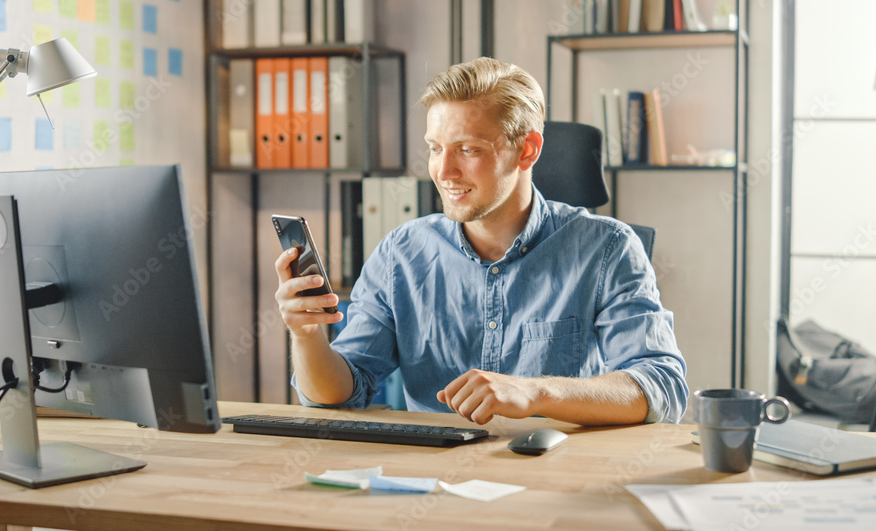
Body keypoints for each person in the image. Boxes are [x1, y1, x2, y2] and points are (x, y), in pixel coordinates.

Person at [274, 57, 688, 426]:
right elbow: (341, 394)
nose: (444, 171)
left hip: (553, 481)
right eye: (436, 149)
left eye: (468, 149)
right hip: (432, 484)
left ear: (526, 150)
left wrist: (534, 392)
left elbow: (659, 386)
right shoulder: (402, 252)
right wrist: (307, 334)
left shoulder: (607, 248)